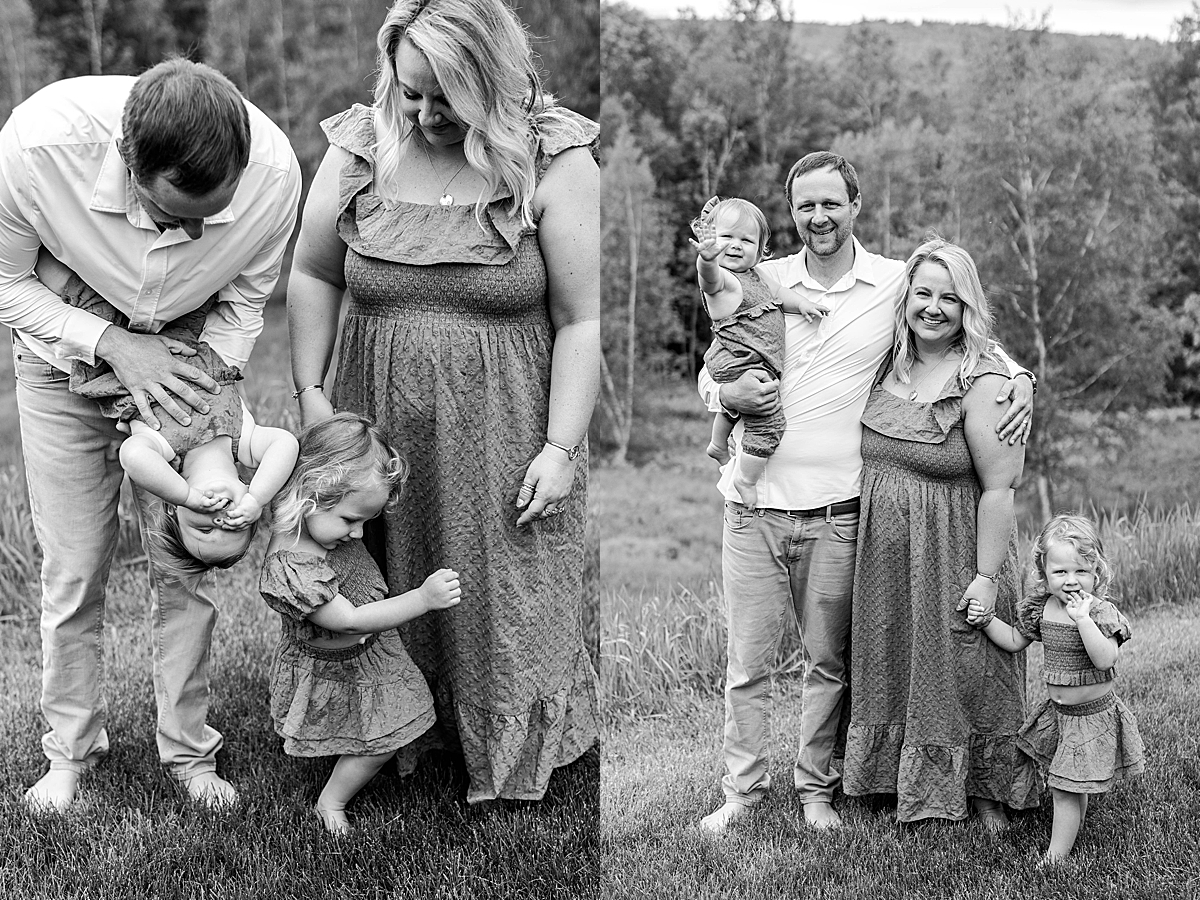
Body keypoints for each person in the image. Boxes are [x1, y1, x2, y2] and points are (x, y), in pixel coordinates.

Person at [286, 0, 599, 802]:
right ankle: (381, 735)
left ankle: (496, 746)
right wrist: (314, 396)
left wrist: (560, 449)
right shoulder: (360, 146)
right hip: (372, 416)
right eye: (409, 91)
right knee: (369, 576)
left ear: (491, 81)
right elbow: (315, 273)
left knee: (497, 588)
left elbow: (580, 321)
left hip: (504, 423)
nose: (423, 115)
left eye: (444, 98)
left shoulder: (556, 157)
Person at [697, 152, 1034, 835]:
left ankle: (818, 790)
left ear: (855, 205)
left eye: (831, 203)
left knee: (829, 663)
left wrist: (1021, 377)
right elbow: (720, 347)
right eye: (804, 206)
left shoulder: (890, 284)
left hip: (839, 513)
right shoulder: (760, 276)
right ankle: (742, 793)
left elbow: (962, 329)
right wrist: (718, 393)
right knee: (747, 665)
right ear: (789, 214)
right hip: (753, 507)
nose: (818, 217)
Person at [0, 58, 301, 810]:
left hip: (189, 374)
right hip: (60, 362)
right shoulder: (38, 151)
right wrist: (113, 344)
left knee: (187, 569)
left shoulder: (274, 176)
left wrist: (208, 413)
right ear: (129, 166)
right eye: (178, 217)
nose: (198, 232)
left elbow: (244, 304)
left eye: (213, 214)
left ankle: (190, 753)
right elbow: (6, 283)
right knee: (74, 568)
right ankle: (70, 753)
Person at [840, 238, 1041, 828]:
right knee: (889, 660)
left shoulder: (983, 380)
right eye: (923, 294)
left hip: (954, 549)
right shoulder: (886, 361)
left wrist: (985, 577)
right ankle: (888, 781)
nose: (933, 308)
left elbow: (1001, 488)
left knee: (965, 662)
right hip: (883, 556)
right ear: (905, 299)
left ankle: (983, 791)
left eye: (948, 298)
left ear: (966, 306)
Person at [260, 413, 462, 834]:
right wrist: (422, 599)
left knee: (374, 727)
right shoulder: (293, 565)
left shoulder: (321, 531)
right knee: (377, 739)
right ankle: (331, 801)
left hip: (369, 655)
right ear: (309, 496)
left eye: (365, 522)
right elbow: (348, 621)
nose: (357, 534)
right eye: (351, 520)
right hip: (337, 663)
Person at [36, 261, 298, 578]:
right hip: (180, 323)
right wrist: (259, 497)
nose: (220, 521)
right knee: (185, 272)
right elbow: (286, 444)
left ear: (174, 509)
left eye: (203, 530)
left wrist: (186, 494)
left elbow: (131, 456)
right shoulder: (245, 442)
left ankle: (28, 241)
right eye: (235, 527)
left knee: (69, 284)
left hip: (112, 340)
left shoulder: (165, 452)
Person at [969, 513, 1144, 864]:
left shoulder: (1099, 612)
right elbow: (1016, 640)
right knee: (1072, 786)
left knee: (1064, 789)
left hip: (1091, 718)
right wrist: (988, 622)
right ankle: (1069, 835)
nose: (1071, 580)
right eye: (1060, 572)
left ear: (1097, 573)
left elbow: (1105, 658)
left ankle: (1055, 857)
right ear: (1044, 573)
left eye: (1080, 571)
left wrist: (1083, 621)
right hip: (1060, 714)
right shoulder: (1042, 608)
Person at [689, 196, 827, 507]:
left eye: (746, 240)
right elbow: (708, 280)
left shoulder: (759, 276)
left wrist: (803, 304)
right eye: (726, 238)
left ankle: (716, 443)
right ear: (712, 242)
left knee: (741, 404)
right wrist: (707, 259)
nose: (736, 245)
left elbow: (779, 294)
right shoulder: (725, 281)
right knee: (768, 420)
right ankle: (745, 479)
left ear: (761, 248)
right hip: (738, 361)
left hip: (745, 360)